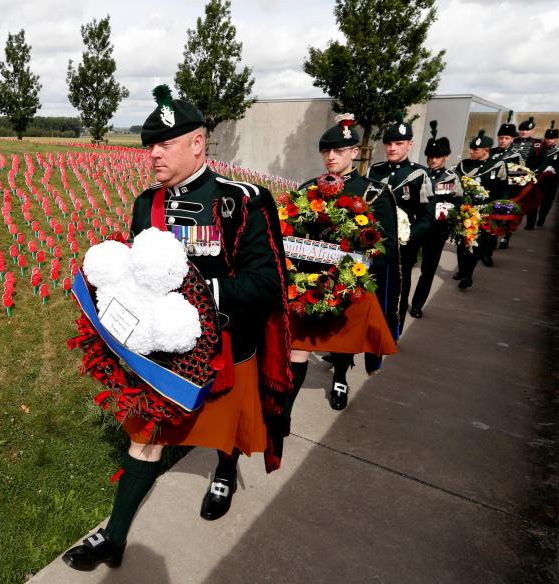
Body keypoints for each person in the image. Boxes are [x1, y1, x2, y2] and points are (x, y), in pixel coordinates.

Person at [62, 85, 291, 571]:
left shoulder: (242, 201)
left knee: (227, 430)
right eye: (150, 144)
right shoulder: (148, 204)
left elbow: (269, 284)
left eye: (165, 143)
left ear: (197, 144)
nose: (153, 154)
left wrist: (196, 298)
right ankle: (116, 537)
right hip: (166, 357)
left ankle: (224, 471)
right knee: (145, 435)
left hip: (228, 349)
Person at [285, 114, 399, 412]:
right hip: (309, 282)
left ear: (354, 153)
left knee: (341, 343)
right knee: (297, 346)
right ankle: (283, 413)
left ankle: (339, 377)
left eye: (338, 151)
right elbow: (290, 233)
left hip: (349, 282)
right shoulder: (309, 189)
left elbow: (386, 247)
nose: (331, 157)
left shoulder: (373, 193)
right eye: (326, 151)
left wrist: (357, 266)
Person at [367, 113, 433, 333]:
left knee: (398, 292)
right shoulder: (375, 171)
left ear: (410, 145)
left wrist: (408, 238)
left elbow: (426, 218)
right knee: (366, 290)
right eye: (389, 143)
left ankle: (391, 334)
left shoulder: (418, 175)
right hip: (374, 245)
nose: (393, 148)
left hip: (403, 249)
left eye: (399, 143)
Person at [408, 121, 463, 319]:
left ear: (446, 157)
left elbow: (458, 201)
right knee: (406, 266)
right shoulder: (419, 174)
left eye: (437, 157)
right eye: (430, 157)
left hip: (436, 230)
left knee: (428, 269)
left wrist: (447, 211)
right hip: (416, 227)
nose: (433, 161)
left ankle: (417, 304)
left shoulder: (451, 178)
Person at [454, 129, 508, 288]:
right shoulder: (464, 164)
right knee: (461, 242)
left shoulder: (497, 165)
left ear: (486, 150)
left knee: (476, 243)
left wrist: (502, 209)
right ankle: (462, 270)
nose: (471, 151)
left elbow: (503, 189)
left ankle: (467, 275)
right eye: (471, 149)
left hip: (485, 211)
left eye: (475, 149)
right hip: (465, 209)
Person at [529, 121, 559, 227]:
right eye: (547, 138)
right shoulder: (539, 149)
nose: (548, 141)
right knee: (534, 201)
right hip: (538, 179)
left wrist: (554, 172)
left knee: (547, 202)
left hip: (551, 180)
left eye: (551, 139)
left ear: (556, 139)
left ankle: (542, 218)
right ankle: (530, 223)